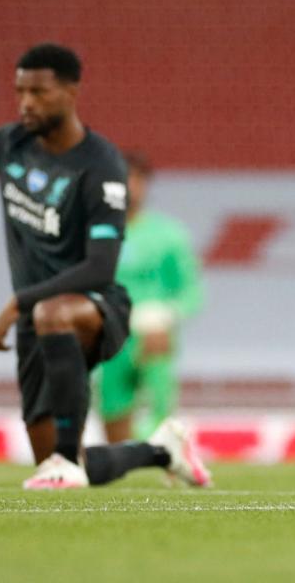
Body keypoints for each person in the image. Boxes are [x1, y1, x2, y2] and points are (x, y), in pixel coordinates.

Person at [0, 42, 210, 490]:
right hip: (34, 317)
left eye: (39, 93)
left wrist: (21, 302)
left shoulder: (101, 165)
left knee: (53, 314)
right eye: (20, 92)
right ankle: (159, 451)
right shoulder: (10, 144)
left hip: (96, 306)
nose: (26, 103)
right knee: (58, 468)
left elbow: (100, 267)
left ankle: (64, 453)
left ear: (72, 92)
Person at [97, 151, 204, 443]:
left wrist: (166, 316)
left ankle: (163, 450)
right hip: (109, 336)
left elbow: (191, 292)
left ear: (145, 184)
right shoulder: (94, 235)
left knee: (159, 407)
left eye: (135, 179)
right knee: (113, 414)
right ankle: (123, 466)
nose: (128, 186)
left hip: (152, 334)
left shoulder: (168, 235)